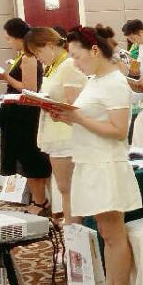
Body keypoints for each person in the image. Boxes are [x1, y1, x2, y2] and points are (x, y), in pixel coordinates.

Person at [54, 25, 141, 285]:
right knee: (105, 232)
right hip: (90, 160)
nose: (74, 63)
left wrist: (77, 117)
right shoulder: (94, 79)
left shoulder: (115, 82)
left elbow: (118, 131)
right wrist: (67, 117)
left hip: (106, 164)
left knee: (115, 235)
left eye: (77, 56)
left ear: (94, 50)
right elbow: (89, 119)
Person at [25, 27, 87, 225]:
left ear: (50, 45)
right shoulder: (54, 66)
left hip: (66, 135)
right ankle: (71, 227)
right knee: (65, 189)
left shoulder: (68, 65)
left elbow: (73, 102)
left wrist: (51, 105)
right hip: (56, 130)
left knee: (68, 189)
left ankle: (73, 230)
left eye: (38, 52)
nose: (38, 58)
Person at [0, 18, 50, 216]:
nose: (8, 42)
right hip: (18, 112)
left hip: (26, 114)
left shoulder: (29, 57)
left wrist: (6, 77)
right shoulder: (22, 56)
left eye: (9, 38)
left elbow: (29, 89)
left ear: (19, 38)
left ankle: (40, 201)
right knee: (25, 157)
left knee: (30, 157)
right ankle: (37, 199)